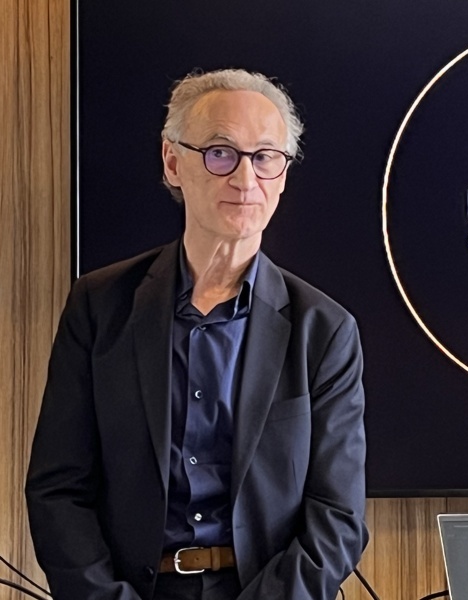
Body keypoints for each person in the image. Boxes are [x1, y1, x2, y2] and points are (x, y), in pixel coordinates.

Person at [25, 68, 368, 600]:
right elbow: (58, 490)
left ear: (282, 174)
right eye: (220, 153)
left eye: (265, 157)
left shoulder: (325, 330)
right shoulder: (99, 306)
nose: (246, 179)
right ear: (173, 162)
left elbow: (338, 517)